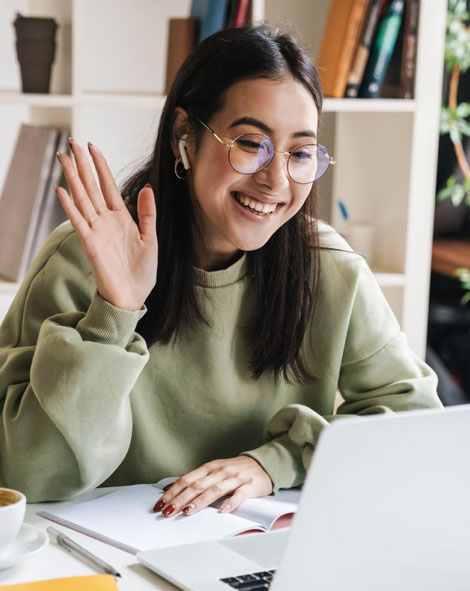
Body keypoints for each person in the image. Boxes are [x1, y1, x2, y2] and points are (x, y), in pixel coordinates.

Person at [0, 24, 441, 510]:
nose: (276, 181)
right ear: (185, 136)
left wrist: (277, 462)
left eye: (300, 153)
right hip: (107, 559)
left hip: (264, 550)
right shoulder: (82, 258)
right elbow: (28, 475)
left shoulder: (330, 269)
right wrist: (114, 312)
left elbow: (414, 426)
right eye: (251, 144)